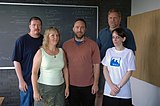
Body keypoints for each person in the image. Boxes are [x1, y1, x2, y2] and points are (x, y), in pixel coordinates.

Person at [95, 8, 136, 106]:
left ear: (120, 19)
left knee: (119, 95)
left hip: (120, 71)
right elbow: (96, 50)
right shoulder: (102, 33)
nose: (112, 20)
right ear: (107, 19)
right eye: (110, 18)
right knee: (100, 93)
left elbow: (131, 52)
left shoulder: (127, 32)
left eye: (115, 18)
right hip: (103, 68)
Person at [63, 18, 101, 106]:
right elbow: (64, 67)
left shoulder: (93, 45)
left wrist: (95, 84)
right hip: (71, 86)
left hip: (89, 86)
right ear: (73, 29)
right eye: (77, 27)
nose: (79, 30)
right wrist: (66, 86)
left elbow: (96, 65)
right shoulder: (66, 45)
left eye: (82, 27)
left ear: (85, 29)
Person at [31, 27, 69, 106]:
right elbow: (34, 73)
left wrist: (67, 87)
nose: (55, 38)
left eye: (57, 35)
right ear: (47, 37)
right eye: (52, 35)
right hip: (44, 89)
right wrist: (35, 91)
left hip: (60, 88)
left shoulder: (61, 52)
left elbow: (65, 69)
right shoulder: (40, 52)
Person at [12, 16, 43, 106]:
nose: (36, 27)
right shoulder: (21, 41)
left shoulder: (45, 40)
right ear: (29, 26)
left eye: (39, 25)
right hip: (27, 82)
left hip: (42, 81)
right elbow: (16, 61)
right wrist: (21, 80)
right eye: (34, 25)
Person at [101, 27, 136, 106]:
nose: (115, 40)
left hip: (123, 92)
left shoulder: (129, 53)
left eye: (117, 37)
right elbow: (105, 69)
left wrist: (118, 87)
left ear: (123, 39)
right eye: (113, 37)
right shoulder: (109, 51)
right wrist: (112, 86)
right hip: (109, 91)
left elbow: (129, 72)